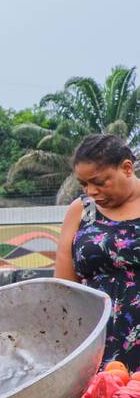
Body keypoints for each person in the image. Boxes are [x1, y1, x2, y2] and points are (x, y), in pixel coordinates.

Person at [55, 135, 140, 370]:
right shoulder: (81, 211)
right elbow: (64, 287)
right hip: (95, 338)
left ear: (126, 168)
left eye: (100, 182)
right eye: (84, 184)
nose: (91, 191)